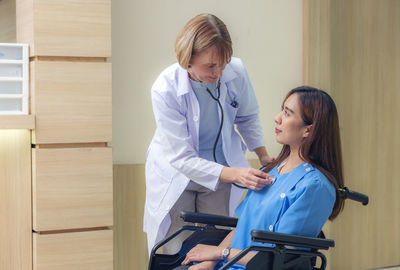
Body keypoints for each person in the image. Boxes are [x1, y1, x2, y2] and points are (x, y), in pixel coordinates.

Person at [144, 13, 274, 254]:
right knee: (179, 252)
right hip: (177, 175)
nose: (219, 73)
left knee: (214, 248)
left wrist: (263, 154)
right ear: (188, 58)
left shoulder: (236, 71)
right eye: (211, 66)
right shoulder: (165, 89)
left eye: (223, 64)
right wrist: (237, 173)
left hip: (221, 174)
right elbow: (182, 159)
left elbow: (247, 116)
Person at [179, 86, 345, 269]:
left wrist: (220, 253)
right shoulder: (269, 171)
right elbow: (240, 228)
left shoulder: (315, 187)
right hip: (228, 264)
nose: (277, 117)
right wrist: (209, 262)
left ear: (308, 130)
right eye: (282, 110)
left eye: (288, 113)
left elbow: (278, 257)